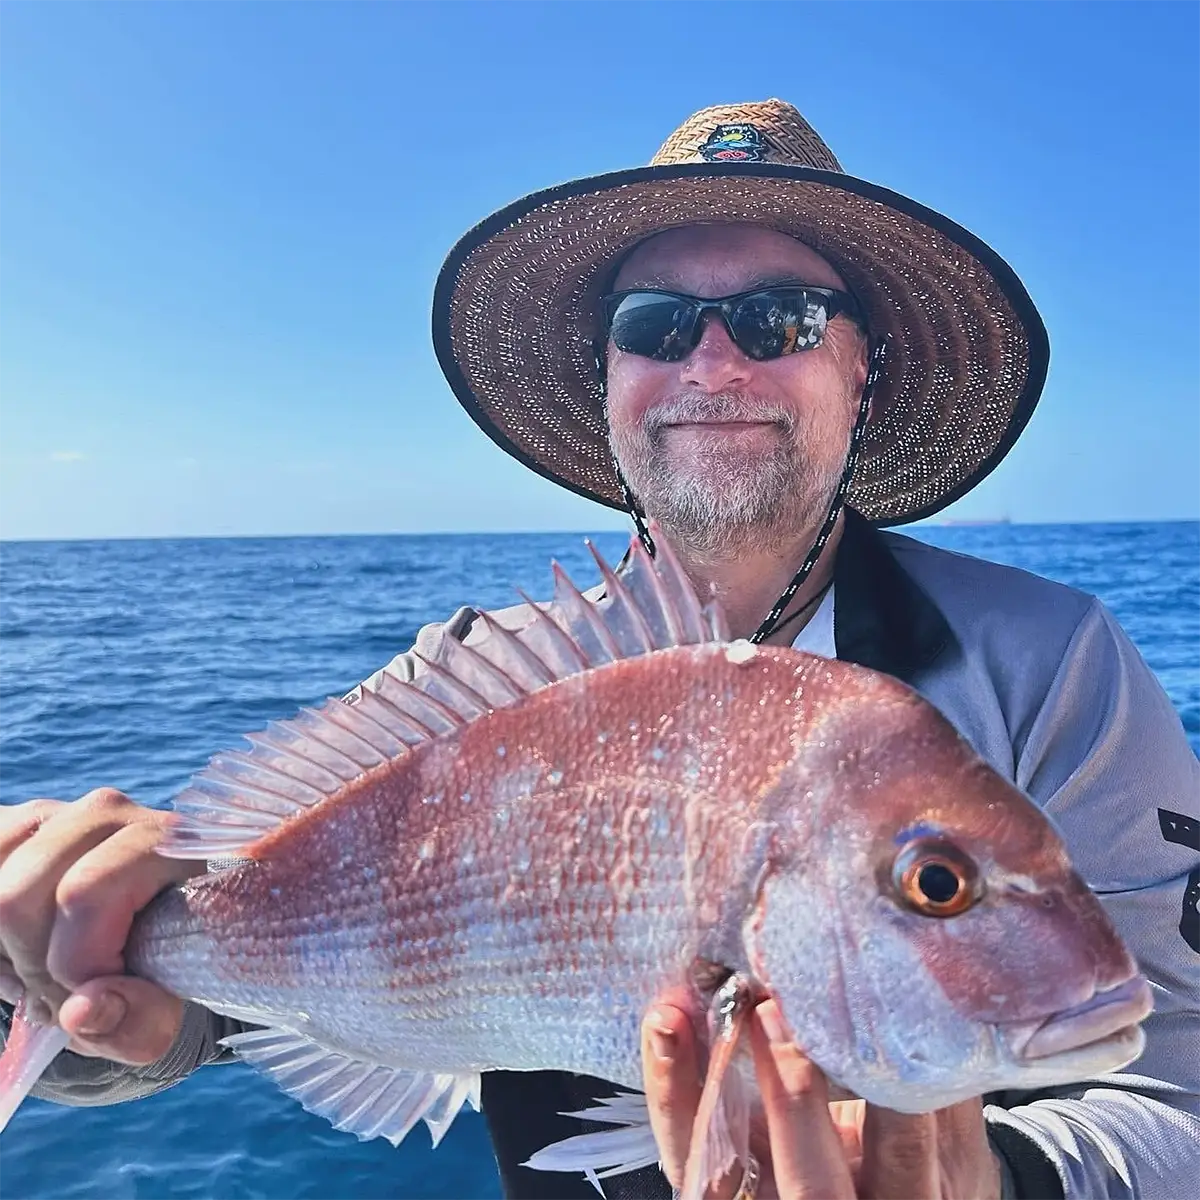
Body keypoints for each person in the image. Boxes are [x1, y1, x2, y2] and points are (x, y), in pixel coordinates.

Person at [1, 99, 1198, 1200]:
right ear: (613, 378)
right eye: (657, 324)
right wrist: (87, 997)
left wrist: (993, 1183)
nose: (714, 363)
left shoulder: (1052, 670)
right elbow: (238, 990)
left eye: (782, 319)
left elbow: (1182, 1091)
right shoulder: (466, 679)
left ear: (862, 372)